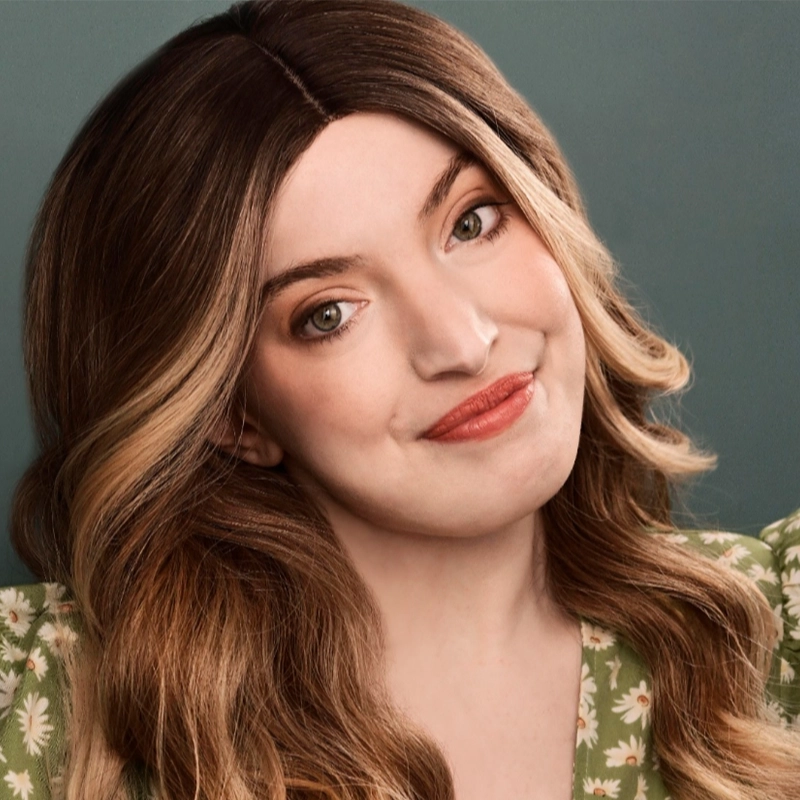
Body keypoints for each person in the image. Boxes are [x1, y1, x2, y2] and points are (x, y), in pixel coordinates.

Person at [0, 1, 798, 799]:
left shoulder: (778, 635)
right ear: (230, 416)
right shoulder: (35, 702)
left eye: (473, 222)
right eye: (328, 314)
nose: (461, 341)